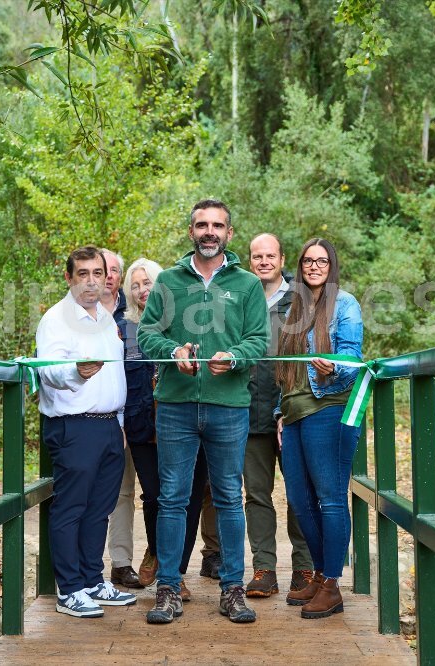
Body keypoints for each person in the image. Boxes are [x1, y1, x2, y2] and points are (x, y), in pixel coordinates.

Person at [138, 198, 269, 624]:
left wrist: (234, 357)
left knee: (230, 497)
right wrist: (171, 350)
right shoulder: (169, 282)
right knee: (172, 498)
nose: (209, 231)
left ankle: (232, 589)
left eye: (217, 225)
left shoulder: (247, 285)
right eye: (201, 225)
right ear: (191, 230)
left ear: (230, 233)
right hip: (175, 407)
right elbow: (146, 333)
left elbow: (258, 340)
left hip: (228, 406)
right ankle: (168, 589)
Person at [36, 245, 137, 618]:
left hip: (110, 426)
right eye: (83, 274)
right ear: (69, 278)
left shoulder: (105, 319)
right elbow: (48, 370)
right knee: (72, 508)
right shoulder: (57, 319)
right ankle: (70, 589)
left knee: (99, 510)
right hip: (74, 426)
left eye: (99, 273)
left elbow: (115, 376)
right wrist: (76, 372)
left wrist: (121, 424)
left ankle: (93, 580)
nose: (92, 281)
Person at [275, 238, 363, 619]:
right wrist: (281, 412)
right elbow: (289, 371)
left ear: (331, 265)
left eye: (321, 260)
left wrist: (334, 368)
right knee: (298, 499)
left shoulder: (345, 303)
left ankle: (331, 582)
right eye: (308, 261)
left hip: (329, 407)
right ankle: (320, 574)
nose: (314, 266)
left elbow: (353, 359)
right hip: (294, 412)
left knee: (329, 498)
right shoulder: (294, 308)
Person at [118, 258, 208, 602]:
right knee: (156, 495)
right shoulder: (122, 328)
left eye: (149, 282)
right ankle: (156, 550)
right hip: (143, 422)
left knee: (188, 496)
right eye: (136, 285)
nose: (143, 290)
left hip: (186, 418)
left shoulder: (186, 319)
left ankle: (177, 573)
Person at [243, 233, 314, 598]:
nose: (264, 261)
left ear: (282, 260)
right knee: (256, 494)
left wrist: (291, 405)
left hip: (292, 413)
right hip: (249, 413)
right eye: (258, 256)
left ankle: (303, 567)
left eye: (271, 255)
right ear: (250, 260)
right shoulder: (240, 298)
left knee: (299, 492)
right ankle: (263, 569)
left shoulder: (300, 302)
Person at [101, 249, 142, 589]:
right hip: (91, 417)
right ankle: (80, 568)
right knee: (97, 491)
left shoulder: (132, 313)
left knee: (126, 493)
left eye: (116, 270)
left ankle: (121, 562)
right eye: (104, 269)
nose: (110, 275)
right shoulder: (76, 311)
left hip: (134, 415)